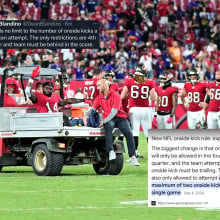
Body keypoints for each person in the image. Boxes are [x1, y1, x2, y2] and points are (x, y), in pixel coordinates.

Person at [83, 79, 139, 166]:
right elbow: (93, 108)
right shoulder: (99, 97)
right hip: (109, 119)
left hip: (120, 117)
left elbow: (114, 111)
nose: (97, 88)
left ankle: (133, 157)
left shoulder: (116, 95)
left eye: (99, 85)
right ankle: (111, 151)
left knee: (128, 133)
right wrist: (86, 115)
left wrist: (104, 121)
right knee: (108, 129)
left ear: (105, 85)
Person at [121, 64, 157, 157]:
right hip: (145, 110)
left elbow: (122, 96)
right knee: (148, 132)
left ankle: (135, 153)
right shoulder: (149, 82)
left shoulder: (129, 81)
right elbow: (154, 98)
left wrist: (130, 95)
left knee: (135, 132)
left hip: (134, 109)